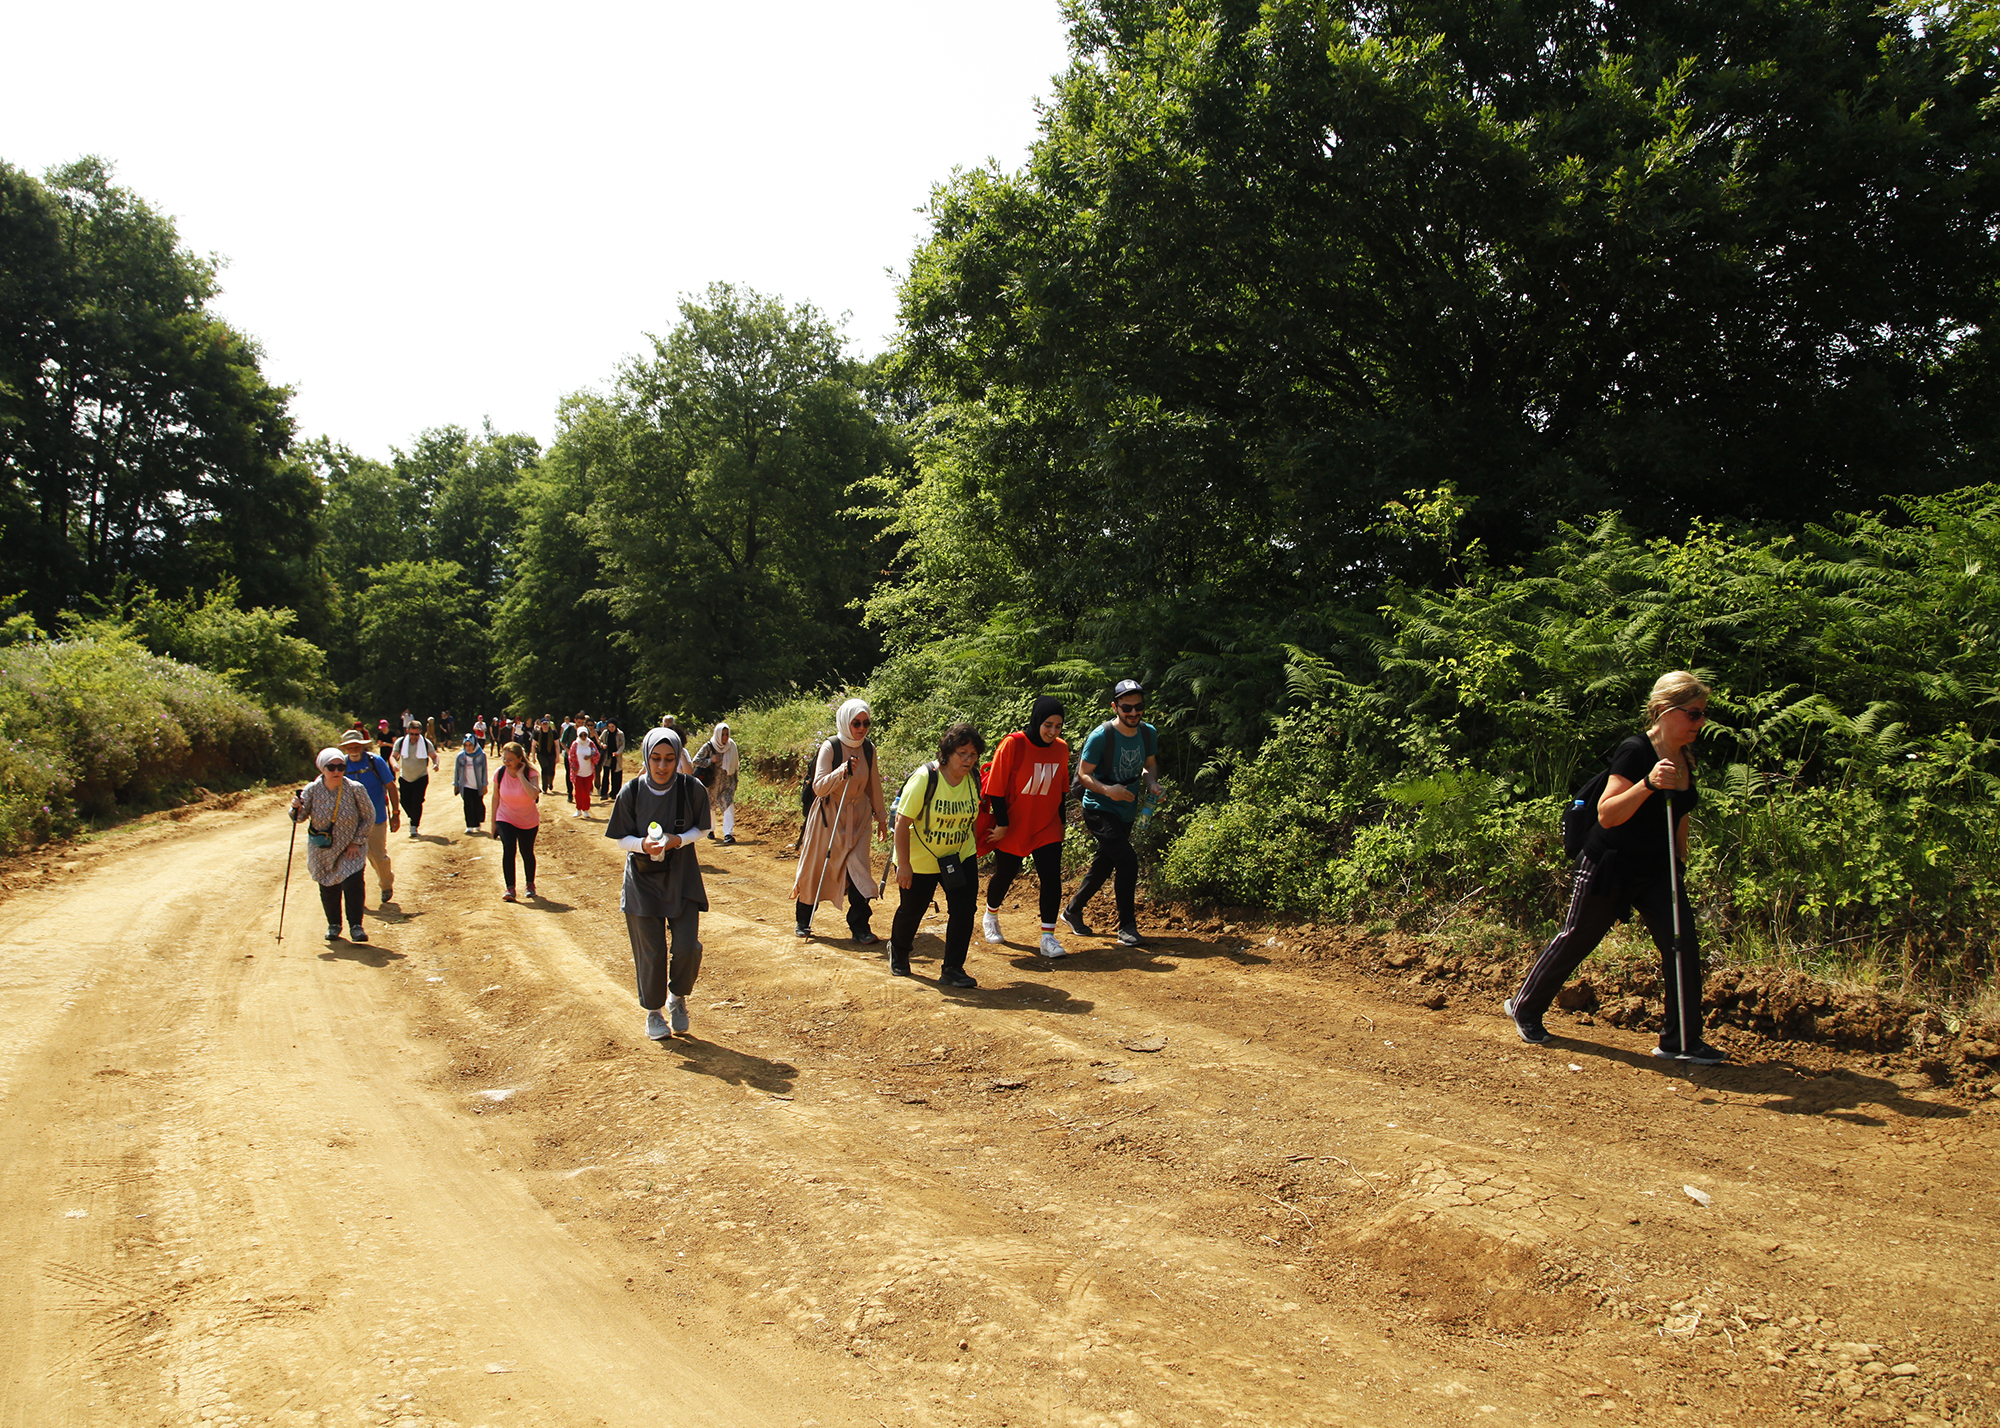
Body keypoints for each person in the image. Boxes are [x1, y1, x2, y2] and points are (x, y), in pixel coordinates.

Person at [1505, 671, 1727, 1064]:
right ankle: (1525, 1007)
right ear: (1663, 709)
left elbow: (1681, 815)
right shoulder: (1635, 751)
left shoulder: (1686, 755)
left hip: (1658, 869)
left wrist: (1679, 862)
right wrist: (1648, 784)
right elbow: (1607, 815)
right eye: (1692, 714)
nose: (1700, 722)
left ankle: (1681, 1041)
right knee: (1578, 937)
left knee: (1682, 947)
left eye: (1702, 714)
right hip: (1610, 863)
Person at [605, 728, 712, 1042]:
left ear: (678, 758)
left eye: (669, 759)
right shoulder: (632, 791)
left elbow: (703, 828)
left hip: (682, 876)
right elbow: (619, 838)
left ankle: (677, 996)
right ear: (646, 758)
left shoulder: (692, 789)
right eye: (656, 759)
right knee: (651, 953)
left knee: (687, 948)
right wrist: (641, 845)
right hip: (642, 880)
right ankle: (653, 1012)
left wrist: (677, 840)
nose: (663, 766)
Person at [1061, 679, 1160, 946]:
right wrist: (1109, 791)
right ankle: (1127, 927)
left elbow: (1149, 765)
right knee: (1127, 860)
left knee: (1104, 864)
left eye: (1138, 707)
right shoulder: (1101, 736)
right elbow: (1083, 775)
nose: (1133, 713)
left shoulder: (1148, 733)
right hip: (1098, 806)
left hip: (1126, 808)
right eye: (1127, 707)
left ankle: (1072, 911)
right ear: (1115, 707)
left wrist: (1151, 783)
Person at [890, 723, 986, 987]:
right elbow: (902, 822)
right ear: (947, 752)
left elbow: (971, 820)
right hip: (920, 859)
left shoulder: (973, 778)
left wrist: (973, 852)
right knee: (913, 910)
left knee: (964, 910)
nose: (968, 760)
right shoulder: (926, 778)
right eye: (962, 753)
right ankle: (898, 953)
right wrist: (904, 864)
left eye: (973, 755)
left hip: (960, 855)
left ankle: (953, 968)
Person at [981, 696, 1072, 960]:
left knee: (1051, 878)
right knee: (1007, 873)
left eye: (1058, 726)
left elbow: (1061, 790)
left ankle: (1048, 937)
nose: (1053, 732)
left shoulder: (1061, 748)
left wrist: (1062, 823)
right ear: (1036, 720)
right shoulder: (1013, 744)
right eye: (1048, 725)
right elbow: (995, 789)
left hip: (1046, 825)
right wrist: (1002, 824)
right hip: (1014, 825)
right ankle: (991, 914)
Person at [793, 699, 888, 941]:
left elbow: (873, 784)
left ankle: (860, 927)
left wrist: (881, 817)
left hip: (860, 818)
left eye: (866, 723)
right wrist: (842, 771)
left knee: (860, 869)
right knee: (817, 868)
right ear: (846, 722)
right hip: (829, 817)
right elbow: (819, 787)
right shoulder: (830, 747)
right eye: (856, 723)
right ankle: (804, 919)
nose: (862, 728)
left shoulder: (868, 748)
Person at [291, 747, 377, 942]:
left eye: (340, 766)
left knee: (353, 883)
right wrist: (295, 808)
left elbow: (368, 816)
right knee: (328, 885)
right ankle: (334, 924)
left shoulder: (355, 789)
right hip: (322, 849)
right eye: (331, 767)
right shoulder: (311, 790)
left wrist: (357, 841)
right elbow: (299, 818)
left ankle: (356, 926)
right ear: (323, 769)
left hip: (350, 848)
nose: (337, 771)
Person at [337, 728, 400, 905]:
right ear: (345, 749)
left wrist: (396, 813)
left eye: (356, 746)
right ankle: (355, 898)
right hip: (350, 821)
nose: (353, 750)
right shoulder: (341, 765)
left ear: (362, 746)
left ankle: (386, 884)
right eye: (349, 747)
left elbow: (391, 786)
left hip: (376, 818)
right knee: (350, 860)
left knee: (377, 856)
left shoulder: (375, 762)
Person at [489, 739, 542, 902]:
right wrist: (493, 824)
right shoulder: (500, 773)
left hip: (528, 820)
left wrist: (520, 776)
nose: (506, 762)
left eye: (510, 759)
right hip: (505, 817)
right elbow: (495, 798)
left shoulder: (531, 774)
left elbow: (533, 795)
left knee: (526, 852)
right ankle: (510, 888)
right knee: (509, 848)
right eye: (504, 758)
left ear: (520, 759)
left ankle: (530, 885)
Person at [692, 722, 740, 844]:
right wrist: (710, 760)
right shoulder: (709, 746)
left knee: (729, 805)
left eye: (727, 734)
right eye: (722, 734)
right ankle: (710, 829)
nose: (725, 737)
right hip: (711, 783)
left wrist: (735, 780)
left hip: (727, 783)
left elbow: (735, 765)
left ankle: (728, 833)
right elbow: (696, 761)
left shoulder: (732, 746)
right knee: (710, 807)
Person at [393, 721, 438, 839]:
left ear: (420, 733)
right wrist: (394, 764)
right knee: (404, 801)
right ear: (407, 732)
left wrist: (436, 764)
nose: (414, 737)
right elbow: (393, 756)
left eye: (416, 734)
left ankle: (414, 826)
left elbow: (434, 756)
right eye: (412, 734)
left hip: (421, 777)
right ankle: (413, 816)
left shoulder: (426, 743)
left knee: (417, 802)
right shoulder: (401, 742)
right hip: (405, 777)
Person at [453, 733, 488, 834]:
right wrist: (456, 784)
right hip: (466, 785)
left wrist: (485, 784)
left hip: (477, 785)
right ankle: (469, 825)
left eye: (470, 745)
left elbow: (484, 771)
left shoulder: (481, 755)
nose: (468, 748)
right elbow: (457, 771)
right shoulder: (460, 756)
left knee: (477, 804)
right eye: (466, 745)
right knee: (468, 805)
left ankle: (477, 823)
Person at [568, 723, 601, 817]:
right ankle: (578, 809)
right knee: (578, 792)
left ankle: (585, 809)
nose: (583, 737)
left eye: (585, 735)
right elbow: (571, 756)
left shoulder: (590, 743)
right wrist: (573, 766)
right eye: (581, 735)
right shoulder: (575, 744)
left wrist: (591, 756)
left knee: (586, 793)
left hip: (588, 772)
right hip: (578, 772)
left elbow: (597, 754)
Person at [601, 720, 626, 801]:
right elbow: (599, 740)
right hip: (607, 757)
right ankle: (604, 793)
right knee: (605, 776)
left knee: (616, 775)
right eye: (609, 727)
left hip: (616, 757)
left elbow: (622, 745)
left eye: (613, 727)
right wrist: (603, 745)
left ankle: (615, 793)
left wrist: (617, 753)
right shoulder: (605, 733)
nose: (611, 728)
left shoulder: (620, 733)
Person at [533, 718, 559, 791]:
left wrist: (557, 756)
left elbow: (557, 745)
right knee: (545, 769)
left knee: (551, 770)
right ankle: (544, 787)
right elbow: (533, 745)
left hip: (551, 754)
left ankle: (550, 783)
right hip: (541, 754)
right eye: (543, 724)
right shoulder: (537, 733)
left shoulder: (553, 733)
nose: (545, 726)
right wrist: (533, 757)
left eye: (546, 724)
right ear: (541, 725)